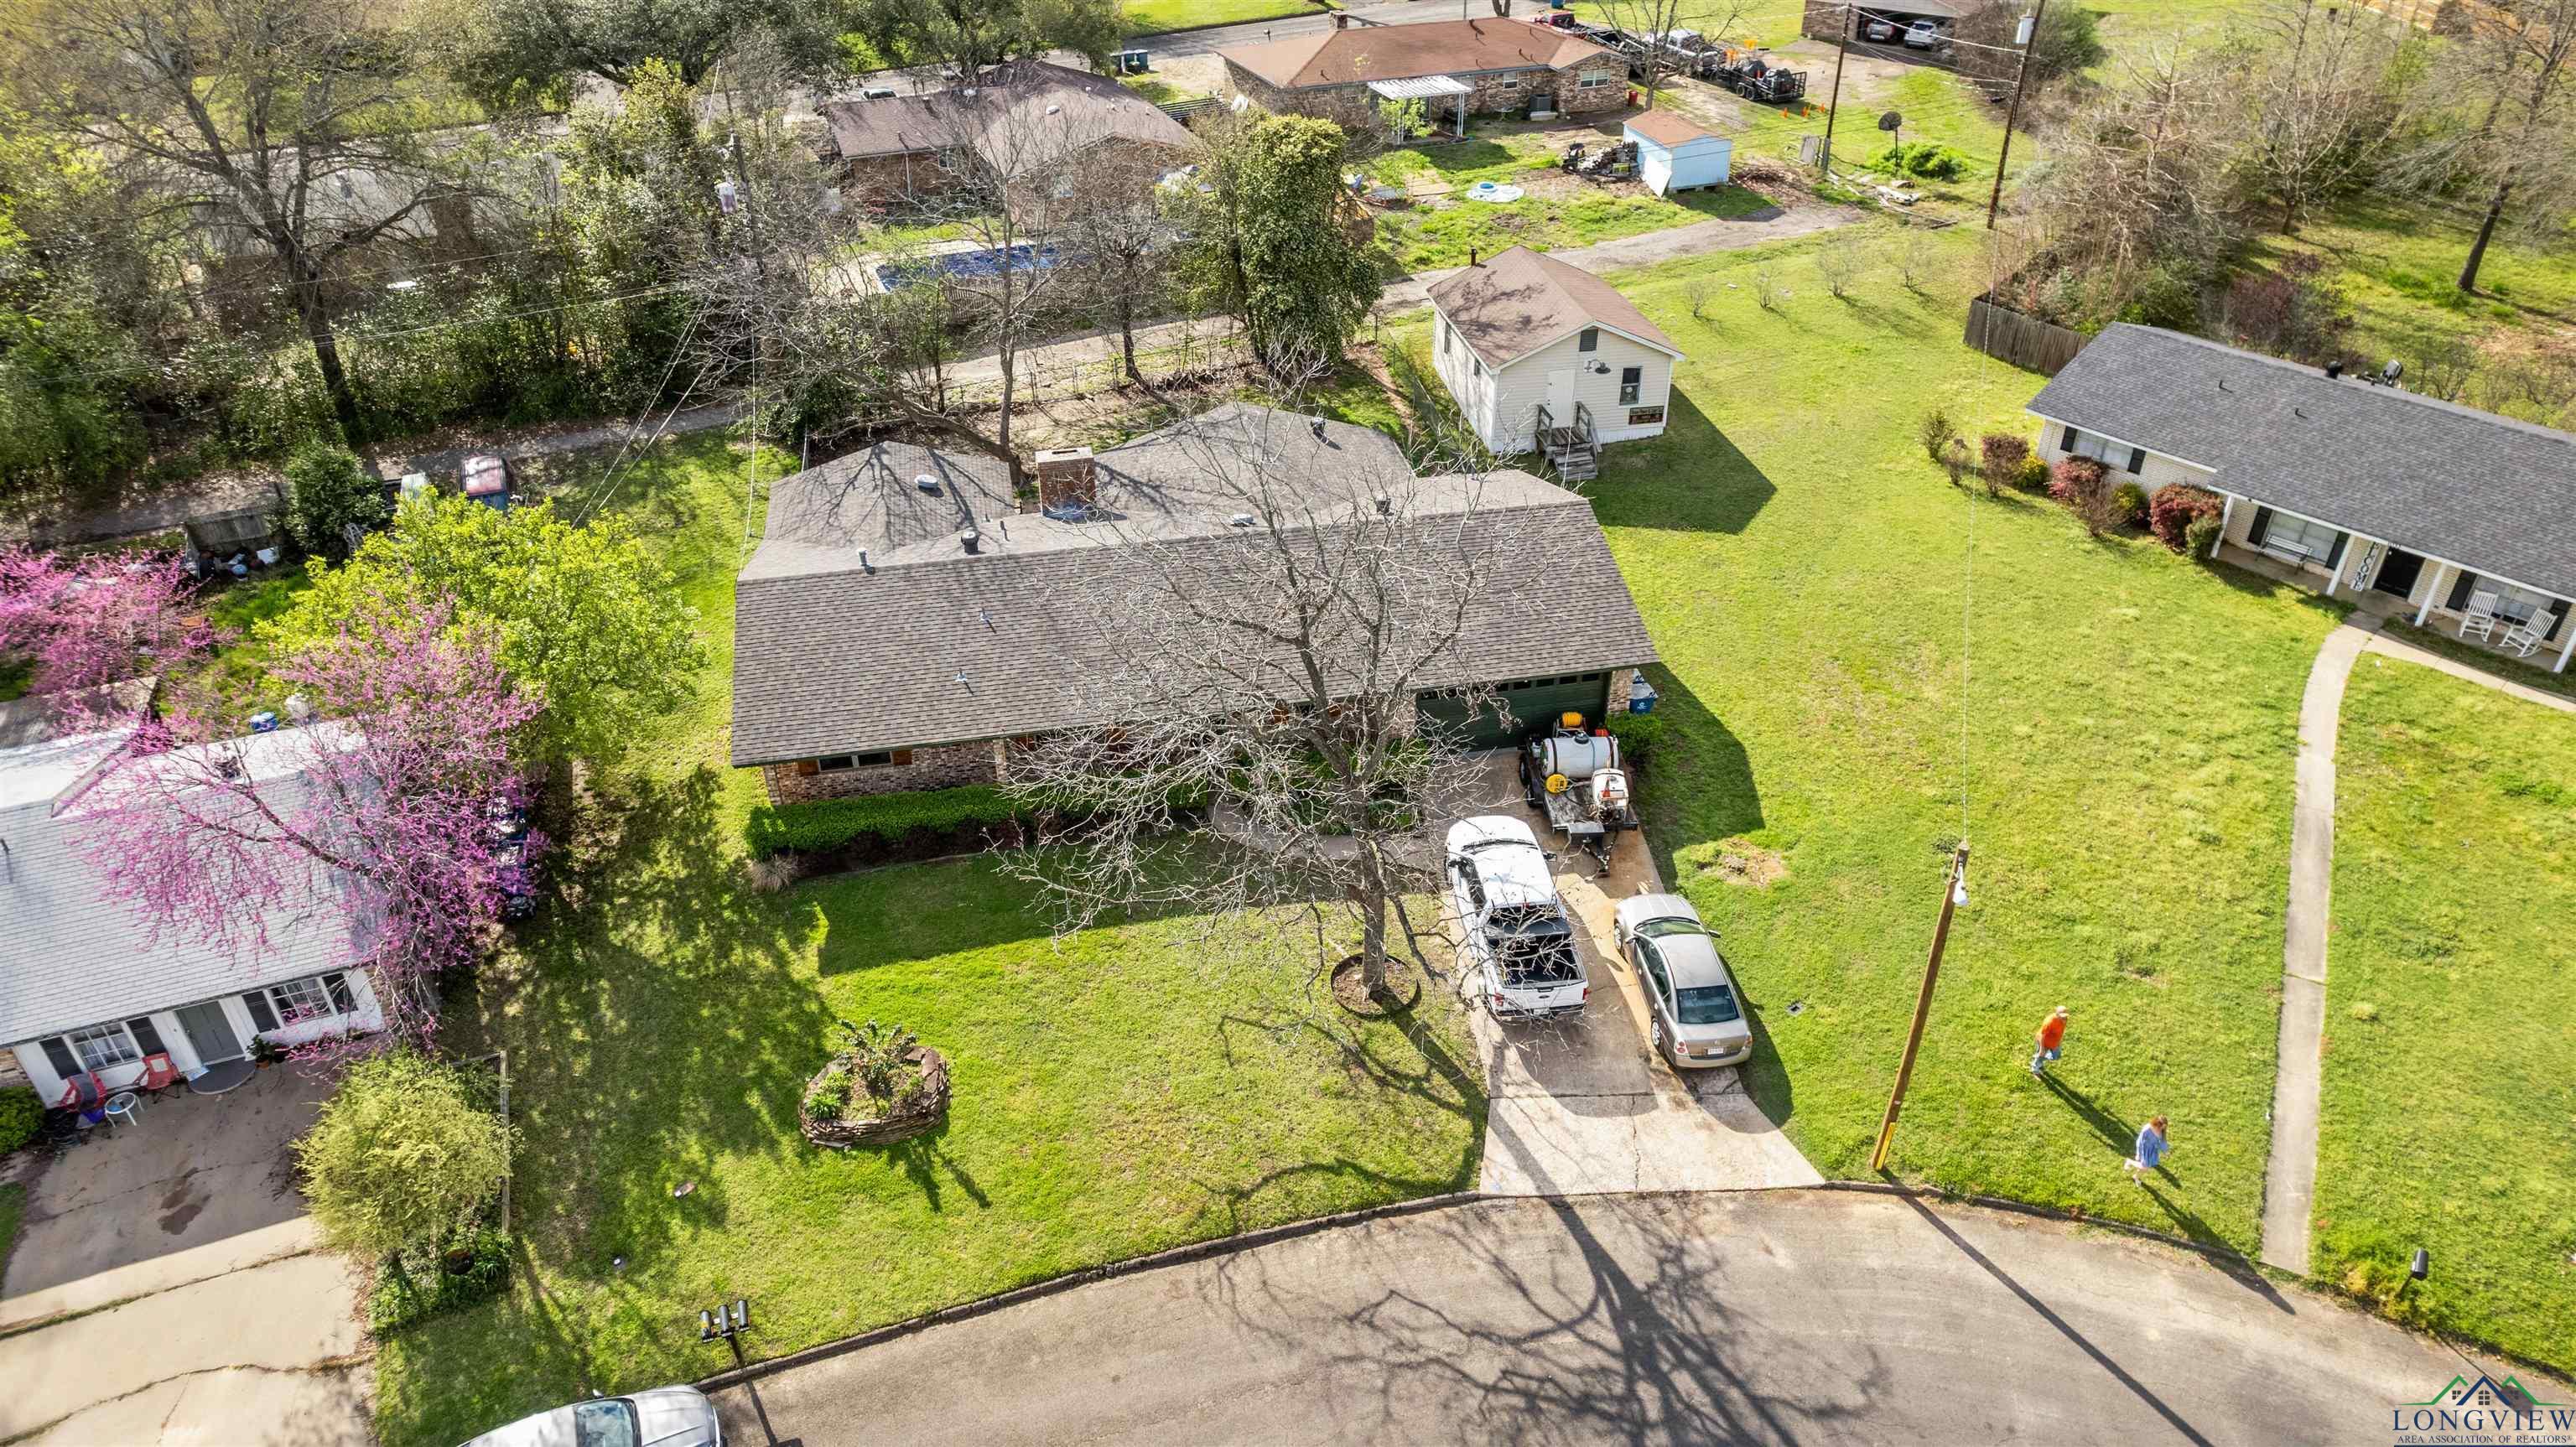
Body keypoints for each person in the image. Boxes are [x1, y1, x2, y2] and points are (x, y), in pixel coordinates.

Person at [2127, 1116, 2169, 1185]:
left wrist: (2165, 1151)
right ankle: (2129, 1162)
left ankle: (2136, 1177)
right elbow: (2140, 1141)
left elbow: (2162, 1142)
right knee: (2145, 1167)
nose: (2161, 1129)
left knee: (2145, 1167)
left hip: (2152, 1151)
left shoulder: (2161, 1131)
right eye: (2160, 1127)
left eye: (2163, 1127)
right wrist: (2138, 1153)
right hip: (2144, 1150)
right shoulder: (2147, 1129)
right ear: (2155, 1123)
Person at [2029, 1005, 2069, 1076]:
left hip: (2054, 1042)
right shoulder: (2049, 1022)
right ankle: (2035, 1069)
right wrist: (2042, 1049)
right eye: (2062, 1017)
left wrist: (2059, 1041)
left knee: (2056, 1055)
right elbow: (2042, 1035)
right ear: (2057, 1015)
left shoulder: (2064, 1019)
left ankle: (2040, 1062)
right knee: (2041, 1055)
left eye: (2065, 1016)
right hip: (2045, 1042)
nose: (2065, 1018)